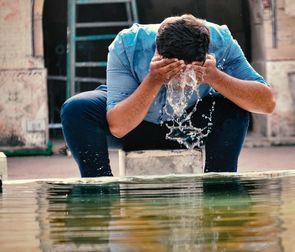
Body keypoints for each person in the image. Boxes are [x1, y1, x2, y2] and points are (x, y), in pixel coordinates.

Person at [61, 14, 275, 177]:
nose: (182, 83)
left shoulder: (222, 42)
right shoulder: (128, 44)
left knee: (234, 107)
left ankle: (220, 189)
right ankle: (99, 191)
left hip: (190, 127)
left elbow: (267, 104)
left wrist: (216, 78)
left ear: (207, 56)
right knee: (76, 108)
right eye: (175, 72)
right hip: (135, 127)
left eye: (190, 73)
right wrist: (153, 80)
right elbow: (118, 127)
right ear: (157, 54)